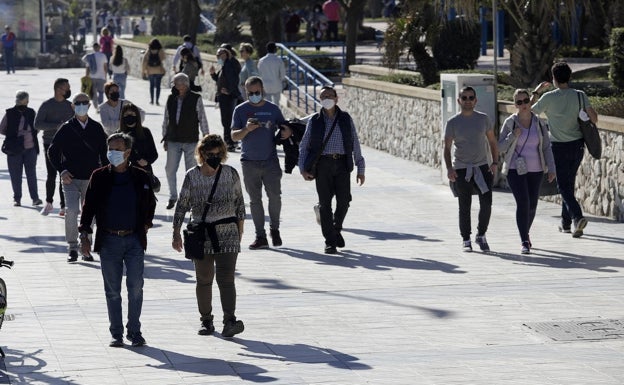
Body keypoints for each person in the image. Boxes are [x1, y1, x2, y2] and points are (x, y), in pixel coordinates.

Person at [79, 133, 156, 348]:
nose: (112, 153)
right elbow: (89, 207)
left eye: (117, 149)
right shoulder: (99, 176)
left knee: (136, 287)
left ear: (128, 152)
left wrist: (146, 225)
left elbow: (150, 204)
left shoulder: (140, 177)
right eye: (110, 149)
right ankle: (116, 333)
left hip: (133, 239)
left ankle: (135, 331)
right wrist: (84, 233)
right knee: (112, 290)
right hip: (109, 241)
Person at [172, 134, 246, 338]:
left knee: (226, 279)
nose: (213, 157)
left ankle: (229, 320)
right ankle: (206, 320)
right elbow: (182, 205)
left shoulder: (230, 173)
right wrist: (176, 232)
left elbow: (240, 204)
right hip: (201, 234)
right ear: (201, 154)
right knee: (204, 279)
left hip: (228, 232)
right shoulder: (192, 175)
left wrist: (239, 232)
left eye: (217, 154)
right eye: (209, 154)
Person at [531, 61, 598, 238]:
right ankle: (566, 223)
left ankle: (577, 217)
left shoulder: (548, 98)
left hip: (558, 147)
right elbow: (594, 118)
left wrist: (536, 92)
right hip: (577, 146)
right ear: (569, 77)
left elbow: (528, 112)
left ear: (553, 79)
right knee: (568, 184)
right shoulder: (579, 95)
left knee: (563, 186)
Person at [298, 86, 365, 254]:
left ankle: (335, 229)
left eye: (330, 95)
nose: (327, 98)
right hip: (323, 166)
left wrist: (360, 167)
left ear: (336, 99)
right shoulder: (315, 120)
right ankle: (330, 241)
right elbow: (304, 146)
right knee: (325, 204)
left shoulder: (345, 118)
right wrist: (302, 169)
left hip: (342, 164)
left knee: (344, 201)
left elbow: (354, 142)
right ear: (319, 100)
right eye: (323, 96)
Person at [48, 93, 109, 263]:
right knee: (72, 210)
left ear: (89, 105)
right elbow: (52, 151)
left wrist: (106, 174)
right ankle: (72, 247)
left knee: (91, 214)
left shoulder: (96, 128)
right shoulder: (66, 127)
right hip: (71, 179)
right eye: (78, 103)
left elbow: (104, 154)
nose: (81, 105)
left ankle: (86, 247)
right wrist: (62, 170)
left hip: (91, 178)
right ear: (73, 106)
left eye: (84, 102)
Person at [231, 76, 290, 249]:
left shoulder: (272, 109)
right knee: (255, 201)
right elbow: (234, 136)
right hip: (249, 162)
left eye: (257, 92)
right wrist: (246, 129)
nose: (254, 95)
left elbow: (284, 126)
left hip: (270, 161)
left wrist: (287, 132)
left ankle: (275, 229)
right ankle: (260, 236)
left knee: (275, 197)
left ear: (262, 90)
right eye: (251, 93)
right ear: (246, 92)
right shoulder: (240, 110)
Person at [498, 89, 556, 254]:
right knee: (523, 203)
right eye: (519, 102)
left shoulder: (539, 123)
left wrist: (551, 168)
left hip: (536, 169)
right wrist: (512, 136)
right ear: (515, 104)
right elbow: (500, 147)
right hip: (514, 169)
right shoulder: (510, 123)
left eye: (525, 101)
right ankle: (524, 240)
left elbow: (546, 147)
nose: (523, 105)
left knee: (532, 205)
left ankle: (526, 231)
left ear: (530, 102)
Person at [443, 86, 499, 252]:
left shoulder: (483, 119)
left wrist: (495, 162)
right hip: (461, 168)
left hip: (482, 167)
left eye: (470, 97)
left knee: (487, 203)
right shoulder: (452, 122)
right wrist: (449, 168)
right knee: (464, 205)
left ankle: (481, 235)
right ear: (459, 100)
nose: (468, 101)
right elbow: (446, 148)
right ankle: (466, 238)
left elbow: (492, 142)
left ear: (476, 100)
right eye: (464, 97)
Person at [162, 73, 210, 210]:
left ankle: (190, 199)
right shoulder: (171, 98)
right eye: (174, 84)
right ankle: (173, 196)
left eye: (177, 84)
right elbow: (166, 119)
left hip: (191, 140)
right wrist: (165, 137)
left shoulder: (196, 98)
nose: (175, 86)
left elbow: (202, 118)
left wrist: (206, 137)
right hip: (173, 139)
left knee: (191, 171)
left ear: (185, 85)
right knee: (170, 169)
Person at [35, 78, 74, 216]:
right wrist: (55, 126)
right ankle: (49, 203)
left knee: (64, 173)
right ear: (58, 89)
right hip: (50, 143)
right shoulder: (47, 105)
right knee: (51, 174)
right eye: (67, 88)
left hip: (67, 144)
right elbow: (37, 124)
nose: (69, 90)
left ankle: (64, 206)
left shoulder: (71, 106)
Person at [0, 90, 42, 207]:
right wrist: (13, 136)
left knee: (31, 174)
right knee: (15, 175)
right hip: (14, 150)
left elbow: (37, 127)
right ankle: (17, 198)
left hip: (30, 149)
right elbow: (2, 129)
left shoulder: (31, 112)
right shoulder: (9, 113)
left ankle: (35, 198)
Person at [209, 47, 241, 152]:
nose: (219, 57)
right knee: (226, 120)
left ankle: (229, 142)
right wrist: (213, 74)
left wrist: (229, 91)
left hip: (228, 97)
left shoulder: (228, 65)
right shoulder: (224, 65)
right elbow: (220, 80)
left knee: (227, 120)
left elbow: (234, 79)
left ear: (227, 54)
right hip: (225, 96)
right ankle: (229, 142)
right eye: (218, 55)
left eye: (221, 54)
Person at [118, 102, 158, 178]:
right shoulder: (118, 134)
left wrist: (147, 161)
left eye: (132, 114)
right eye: (126, 115)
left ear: (137, 116)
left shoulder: (145, 132)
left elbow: (154, 154)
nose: (129, 117)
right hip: (124, 173)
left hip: (144, 172)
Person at [142, 38, 166, 105]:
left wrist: (143, 72)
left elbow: (144, 61)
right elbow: (164, 58)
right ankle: (157, 101)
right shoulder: (160, 50)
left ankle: (152, 100)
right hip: (159, 70)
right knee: (158, 86)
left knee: (151, 86)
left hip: (150, 71)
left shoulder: (148, 51)